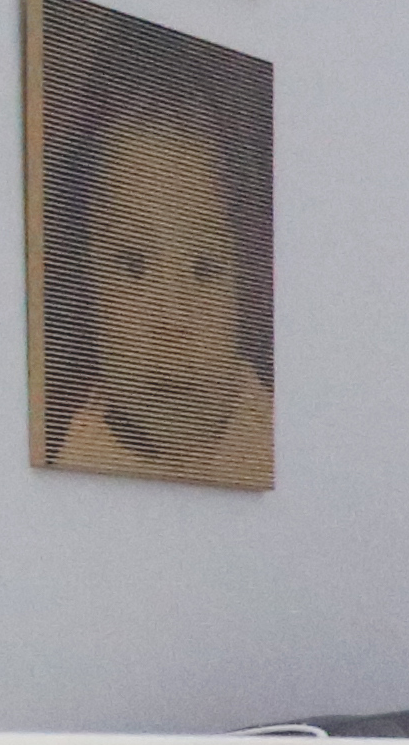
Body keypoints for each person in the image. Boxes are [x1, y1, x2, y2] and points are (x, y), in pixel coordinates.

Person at [45, 79, 271, 488]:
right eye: (133, 267)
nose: (172, 318)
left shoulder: (269, 442)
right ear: (85, 280)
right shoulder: (74, 459)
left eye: (205, 269)